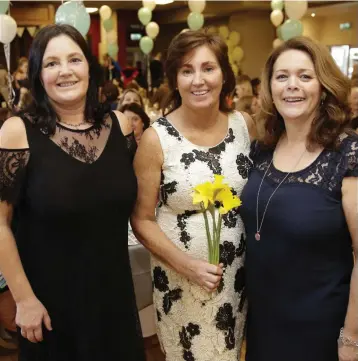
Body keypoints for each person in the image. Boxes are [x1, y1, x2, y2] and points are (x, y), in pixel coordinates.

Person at [0, 24, 145, 361]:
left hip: (114, 298)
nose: (64, 71)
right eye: (51, 63)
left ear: (89, 68)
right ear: (38, 75)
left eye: (74, 59)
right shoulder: (16, 132)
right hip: (50, 306)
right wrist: (23, 299)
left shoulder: (120, 126)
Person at [131, 29, 256, 361]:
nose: (198, 80)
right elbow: (141, 219)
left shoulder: (245, 125)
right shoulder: (156, 139)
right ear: (174, 79)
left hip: (235, 279)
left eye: (208, 68)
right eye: (187, 70)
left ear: (224, 75)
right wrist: (187, 265)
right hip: (180, 281)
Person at [240, 36, 358, 361]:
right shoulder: (261, 150)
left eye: (305, 76)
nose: (292, 86)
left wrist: (352, 338)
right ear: (270, 88)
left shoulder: (348, 155)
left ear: (324, 86)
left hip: (322, 329)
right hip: (263, 325)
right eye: (282, 77)